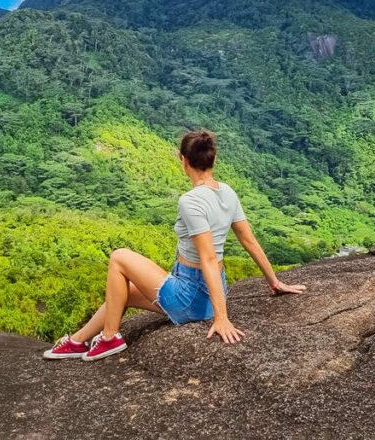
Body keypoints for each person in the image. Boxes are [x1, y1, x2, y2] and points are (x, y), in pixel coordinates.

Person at [43, 129, 306, 362]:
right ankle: (77, 341)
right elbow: (249, 241)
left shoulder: (191, 201)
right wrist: (274, 282)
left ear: (183, 161)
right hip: (206, 291)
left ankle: (110, 338)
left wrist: (221, 318)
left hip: (189, 294)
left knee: (119, 256)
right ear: (213, 159)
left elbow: (209, 258)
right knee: (121, 291)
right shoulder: (228, 192)